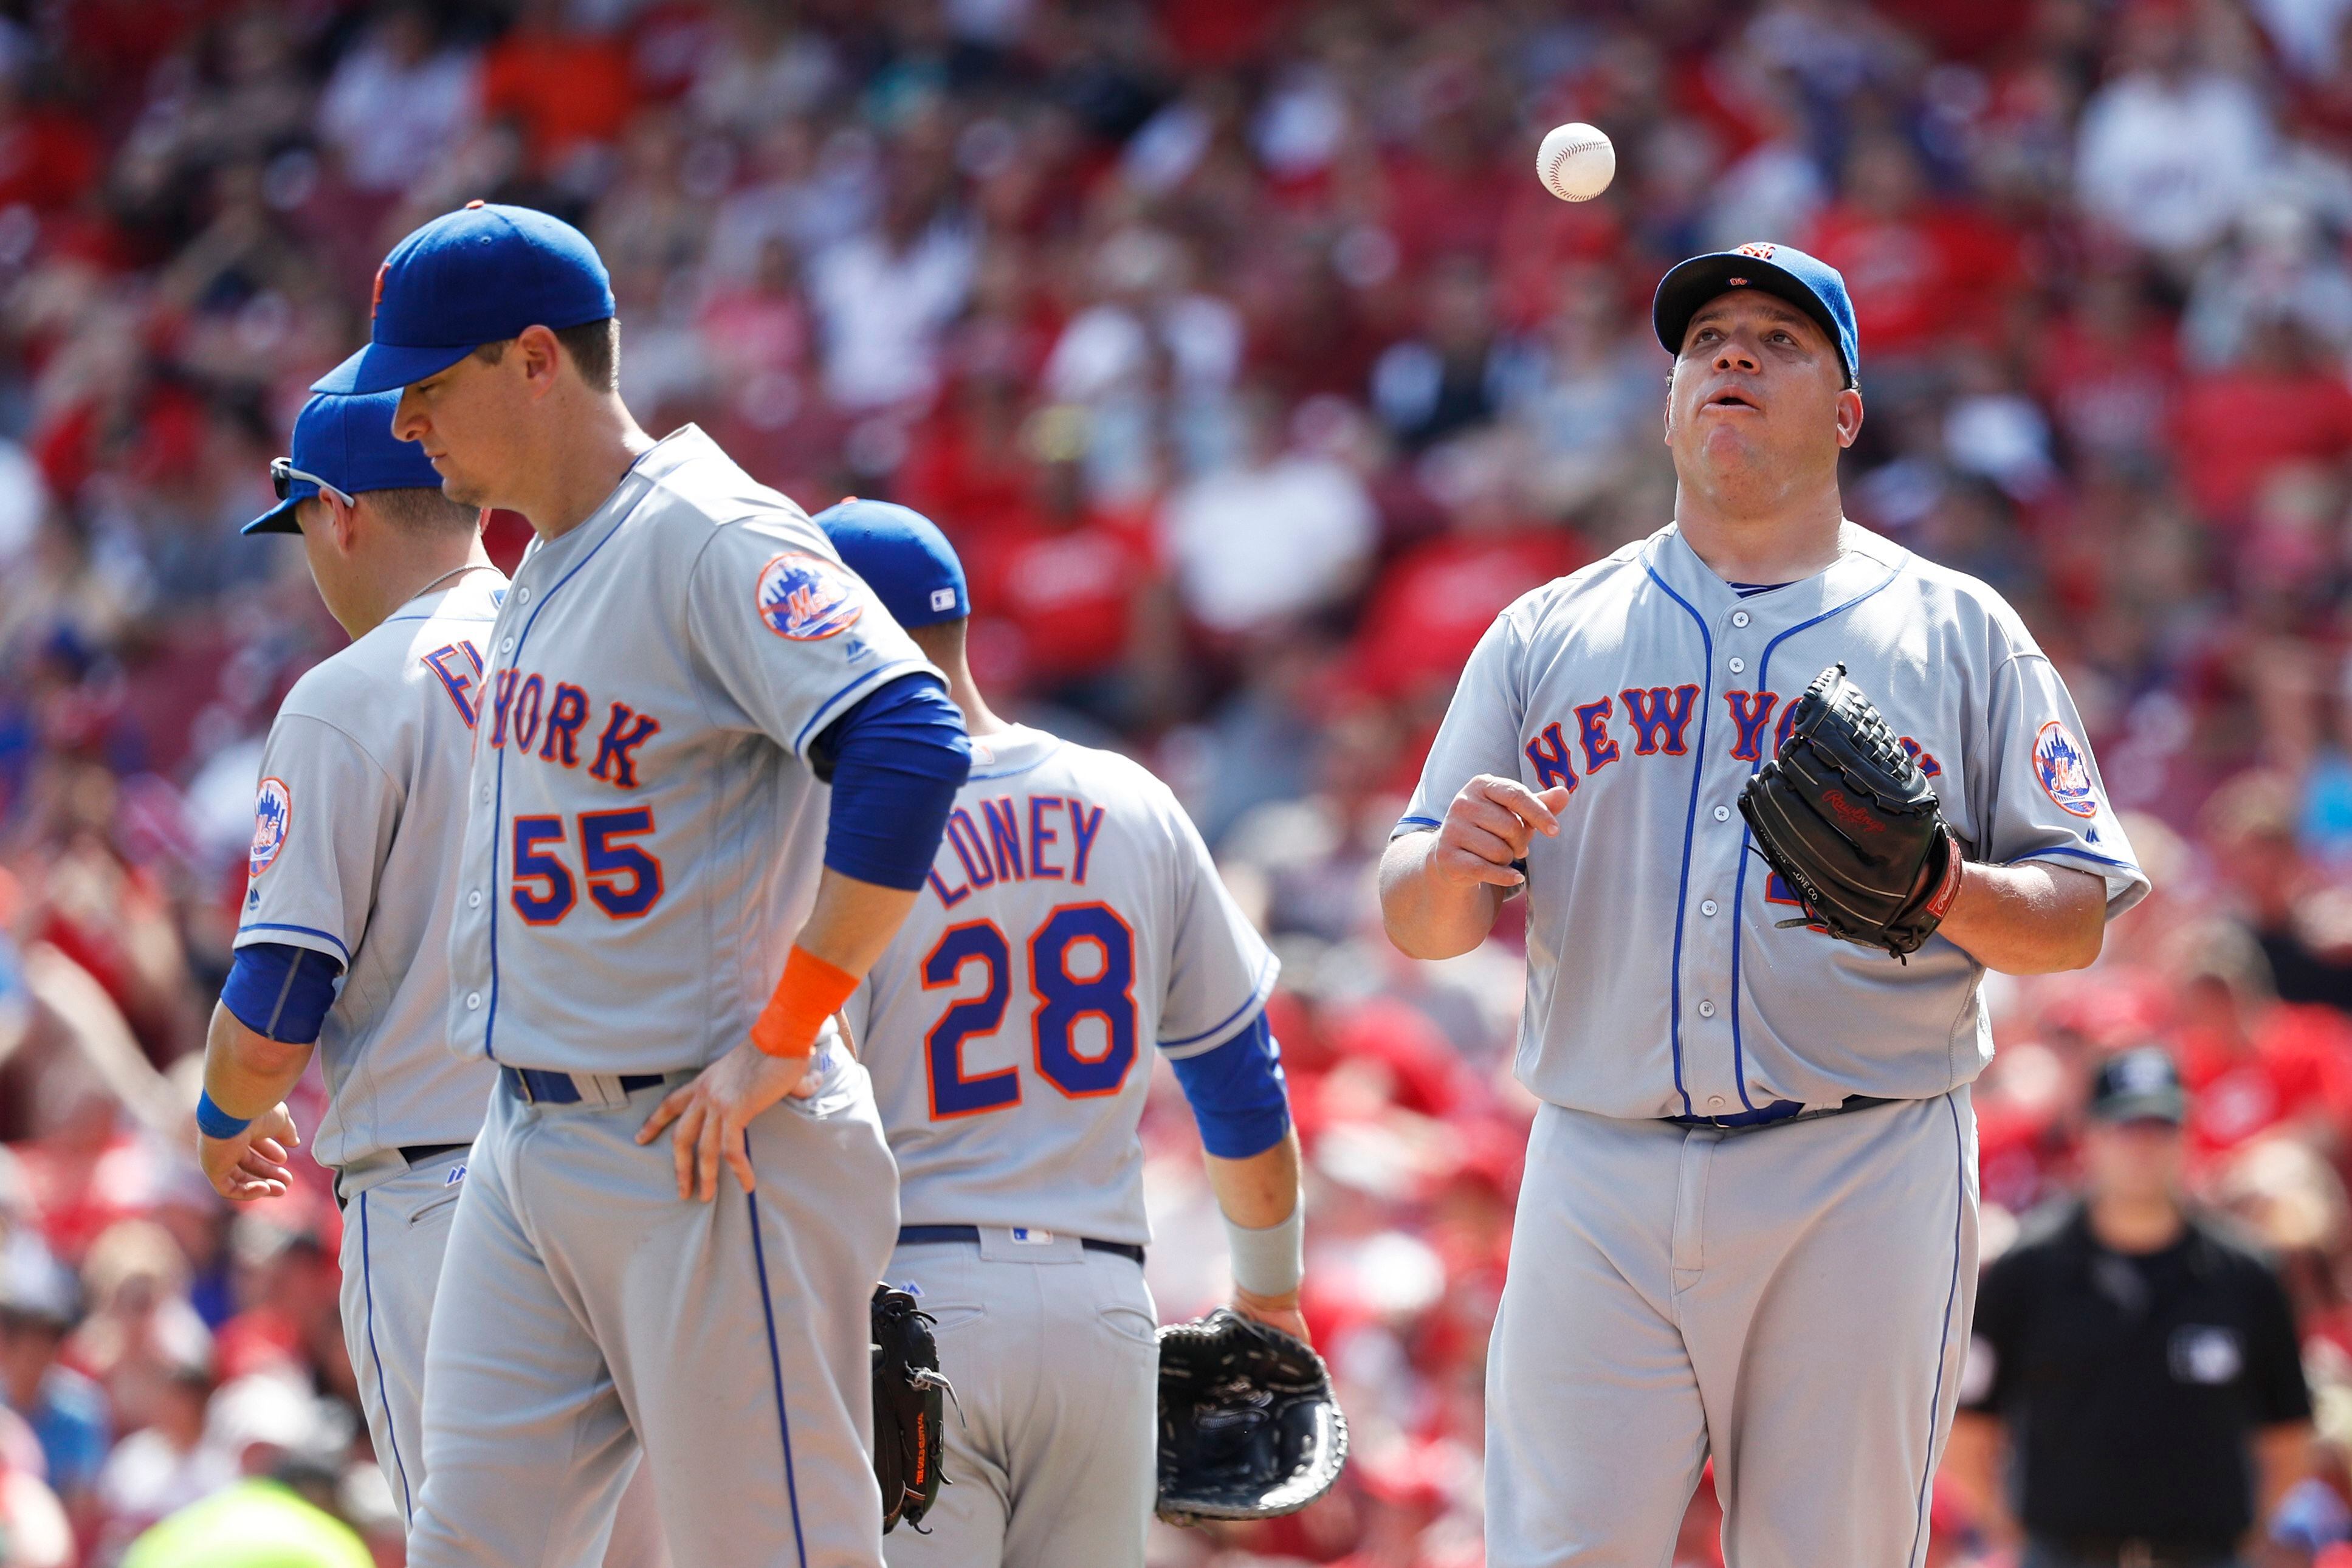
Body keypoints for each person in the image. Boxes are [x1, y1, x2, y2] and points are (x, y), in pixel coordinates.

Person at [1375, 241, 2151, 1567]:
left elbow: (2078, 909)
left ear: (1845, 414)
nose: (1731, 354)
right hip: (1597, 1160)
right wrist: (1448, 868)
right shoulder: (1546, 630)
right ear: (1673, 399)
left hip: (1858, 1163)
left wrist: (1948, 888)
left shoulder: (1956, 629)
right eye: (1707, 340)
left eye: (1779, 340)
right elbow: (1414, 913)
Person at [312, 201, 972, 1567]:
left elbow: (909, 739)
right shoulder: (547, 554)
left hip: (700, 1144)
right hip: (529, 1140)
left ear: (536, 360)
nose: (407, 426)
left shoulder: (709, 531)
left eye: (430, 386)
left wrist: (787, 1033)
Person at [817, 499, 1307, 1568]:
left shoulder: (831, 836)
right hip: (1104, 1314)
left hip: (913, 1305)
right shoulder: (1131, 796)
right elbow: (1240, 1082)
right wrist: (1268, 1292)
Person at [188, 389, 510, 1533]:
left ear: (339, 512)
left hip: (438, 1200)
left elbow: (275, 1005)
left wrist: (227, 1116)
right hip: (614, 1166)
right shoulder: (590, 650)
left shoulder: (349, 697)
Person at [1944, 1048, 2313, 1568]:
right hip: (2064, 1555)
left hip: (2204, 1555)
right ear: (2088, 1136)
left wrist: (2251, 1533)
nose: (2143, 1146)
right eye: (2125, 1127)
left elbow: (2290, 1433)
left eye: (2160, 1126)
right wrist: (2009, 1530)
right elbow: (1970, 1427)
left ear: (2187, 1134)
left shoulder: (2246, 1276)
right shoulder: (2027, 1272)